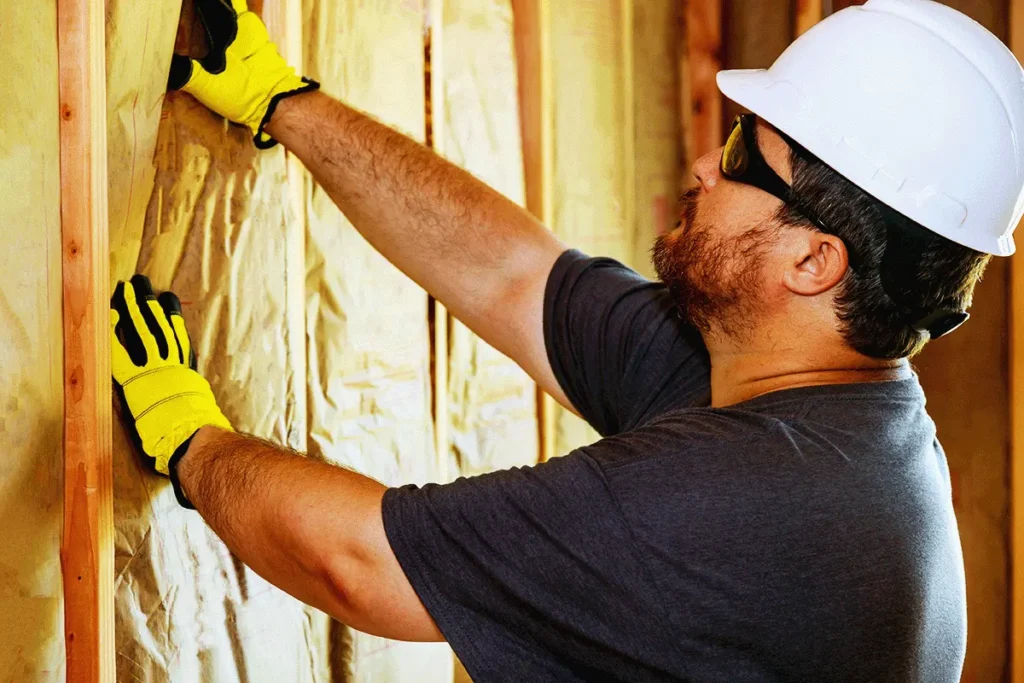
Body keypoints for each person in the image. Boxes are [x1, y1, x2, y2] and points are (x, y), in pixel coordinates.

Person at [110, 0, 1024, 680]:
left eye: (746, 155)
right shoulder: (811, 401)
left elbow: (360, 560)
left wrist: (191, 439)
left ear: (814, 259)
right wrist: (286, 103)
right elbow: (513, 274)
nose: (707, 163)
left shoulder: (747, 506)